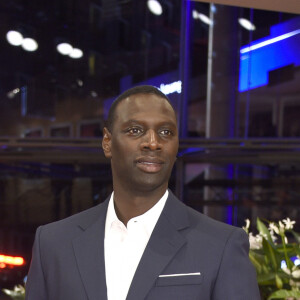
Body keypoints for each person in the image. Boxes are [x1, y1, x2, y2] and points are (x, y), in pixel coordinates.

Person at [25, 85, 260, 300]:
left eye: (166, 132)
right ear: (107, 142)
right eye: (136, 130)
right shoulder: (53, 244)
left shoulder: (221, 245)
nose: (153, 142)